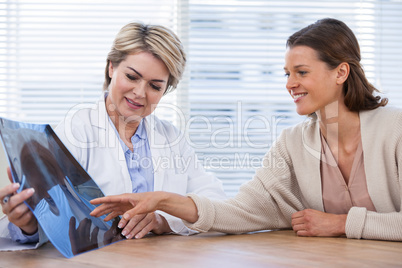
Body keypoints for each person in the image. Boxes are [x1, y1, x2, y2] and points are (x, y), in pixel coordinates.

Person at [90, 18, 402, 241]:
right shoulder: (293, 143)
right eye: (286, 74)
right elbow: (241, 211)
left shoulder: (395, 131)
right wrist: (163, 202)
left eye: (301, 72)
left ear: (341, 72)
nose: (289, 84)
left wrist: (341, 224)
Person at [0, 22, 226, 245]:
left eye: (155, 86)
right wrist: (27, 224)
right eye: (132, 77)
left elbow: (214, 203)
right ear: (111, 68)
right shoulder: (74, 132)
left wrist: (163, 220)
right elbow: (50, 216)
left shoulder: (171, 138)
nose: (139, 93)